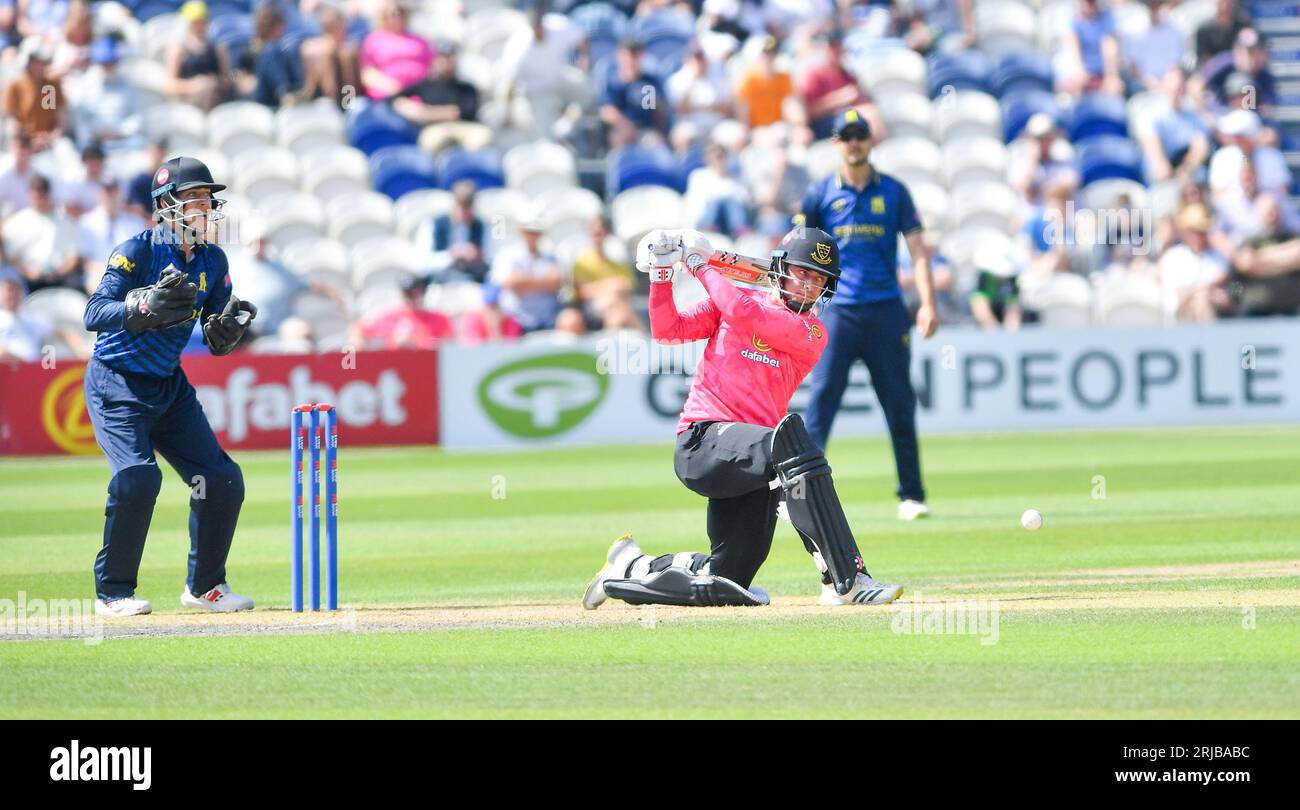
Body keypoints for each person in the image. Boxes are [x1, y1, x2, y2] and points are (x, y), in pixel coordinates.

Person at [582, 228, 902, 610]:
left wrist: (699, 265)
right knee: (792, 439)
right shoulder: (735, 300)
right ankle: (845, 579)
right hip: (703, 441)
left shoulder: (811, 331)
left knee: (727, 582)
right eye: (803, 273)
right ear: (780, 270)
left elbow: (745, 313)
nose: (809, 286)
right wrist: (662, 276)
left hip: (753, 464)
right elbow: (668, 332)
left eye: (819, 280)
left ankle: (631, 566)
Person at [81, 156, 259, 616]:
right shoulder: (136, 251)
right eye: (194, 198)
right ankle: (113, 592)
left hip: (168, 385)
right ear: (165, 205)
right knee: (139, 478)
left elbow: (217, 324)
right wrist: (139, 305)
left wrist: (227, 331)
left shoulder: (213, 259)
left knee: (220, 480)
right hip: (116, 382)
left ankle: (206, 587)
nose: (204, 207)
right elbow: (93, 314)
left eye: (207, 199)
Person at [798, 110, 937, 521]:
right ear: (836, 144)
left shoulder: (894, 191)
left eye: (860, 135)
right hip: (838, 313)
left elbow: (918, 252)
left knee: (899, 404)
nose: (854, 143)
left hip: (886, 311)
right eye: (846, 136)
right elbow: (800, 254)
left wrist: (928, 303)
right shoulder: (821, 194)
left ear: (871, 141)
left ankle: (911, 495)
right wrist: (800, 307)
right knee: (821, 405)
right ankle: (801, 494)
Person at [2, 174, 81, 292]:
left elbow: (74, 254)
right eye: (37, 192)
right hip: (29, 279)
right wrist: (28, 272)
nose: (41, 197)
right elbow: (12, 257)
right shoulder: (17, 221)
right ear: (30, 194)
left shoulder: (64, 220)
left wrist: (62, 270)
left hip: (61, 278)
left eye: (44, 192)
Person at [488, 215, 564, 332]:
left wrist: (526, 283)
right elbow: (513, 283)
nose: (533, 236)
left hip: (548, 319)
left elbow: (557, 281)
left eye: (536, 232)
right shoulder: (508, 255)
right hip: (517, 322)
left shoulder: (550, 257)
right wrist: (545, 282)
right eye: (529, 232)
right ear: (522, 232)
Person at [359, 0, 433, 101]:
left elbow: (432, 67)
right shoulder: (374, 40)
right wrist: (393, 87)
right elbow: (367, 74)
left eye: (400, 13)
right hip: (389, 95)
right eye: (392, 14)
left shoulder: (419, 40)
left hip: (420, 93)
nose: (397, 17)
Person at [164, 1, 232, 111]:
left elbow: (227, 78)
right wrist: (193, 86)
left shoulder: (217, 48)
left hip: (215, 99)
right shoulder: (178, 50)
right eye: (196, 23)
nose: (200, 26)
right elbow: (169, 85)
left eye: (203, 22)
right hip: (189, 103)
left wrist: (213, 82)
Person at [354, 275, 453, 349]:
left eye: (418, 293)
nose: (414, 298)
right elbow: (358, 329)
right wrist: (392, 342)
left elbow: (448, 346)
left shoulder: (439, 319)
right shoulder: (388, 317)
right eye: (409, 294)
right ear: (402, 295)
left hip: (428, 367)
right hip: (396, 367)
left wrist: (417, 343)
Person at [3, 38, 68, 149]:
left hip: (50, 143)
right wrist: (28, 141)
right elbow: (12, 122)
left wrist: (50, 138)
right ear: (26, 61)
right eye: (35, 60)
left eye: (41, 61)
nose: (39, 65)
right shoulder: (15, 86)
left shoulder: (51, 85)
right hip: (22, 143)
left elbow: (60, 120)